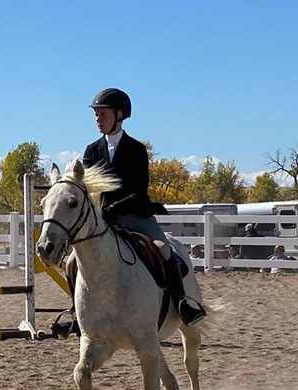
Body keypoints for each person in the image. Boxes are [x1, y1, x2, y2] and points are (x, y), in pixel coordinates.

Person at [81, 87, 205, 326]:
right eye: (96, 115)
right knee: (74, 261)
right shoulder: (91, 150)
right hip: (104, 222)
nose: (98, 119)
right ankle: (77, 311)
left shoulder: (136, 150)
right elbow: (89, 189)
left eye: (103, 114)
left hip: (135, 216)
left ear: (119, 115)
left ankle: (182, 303)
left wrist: (114, 209)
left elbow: (139, 191)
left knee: (164, 250)